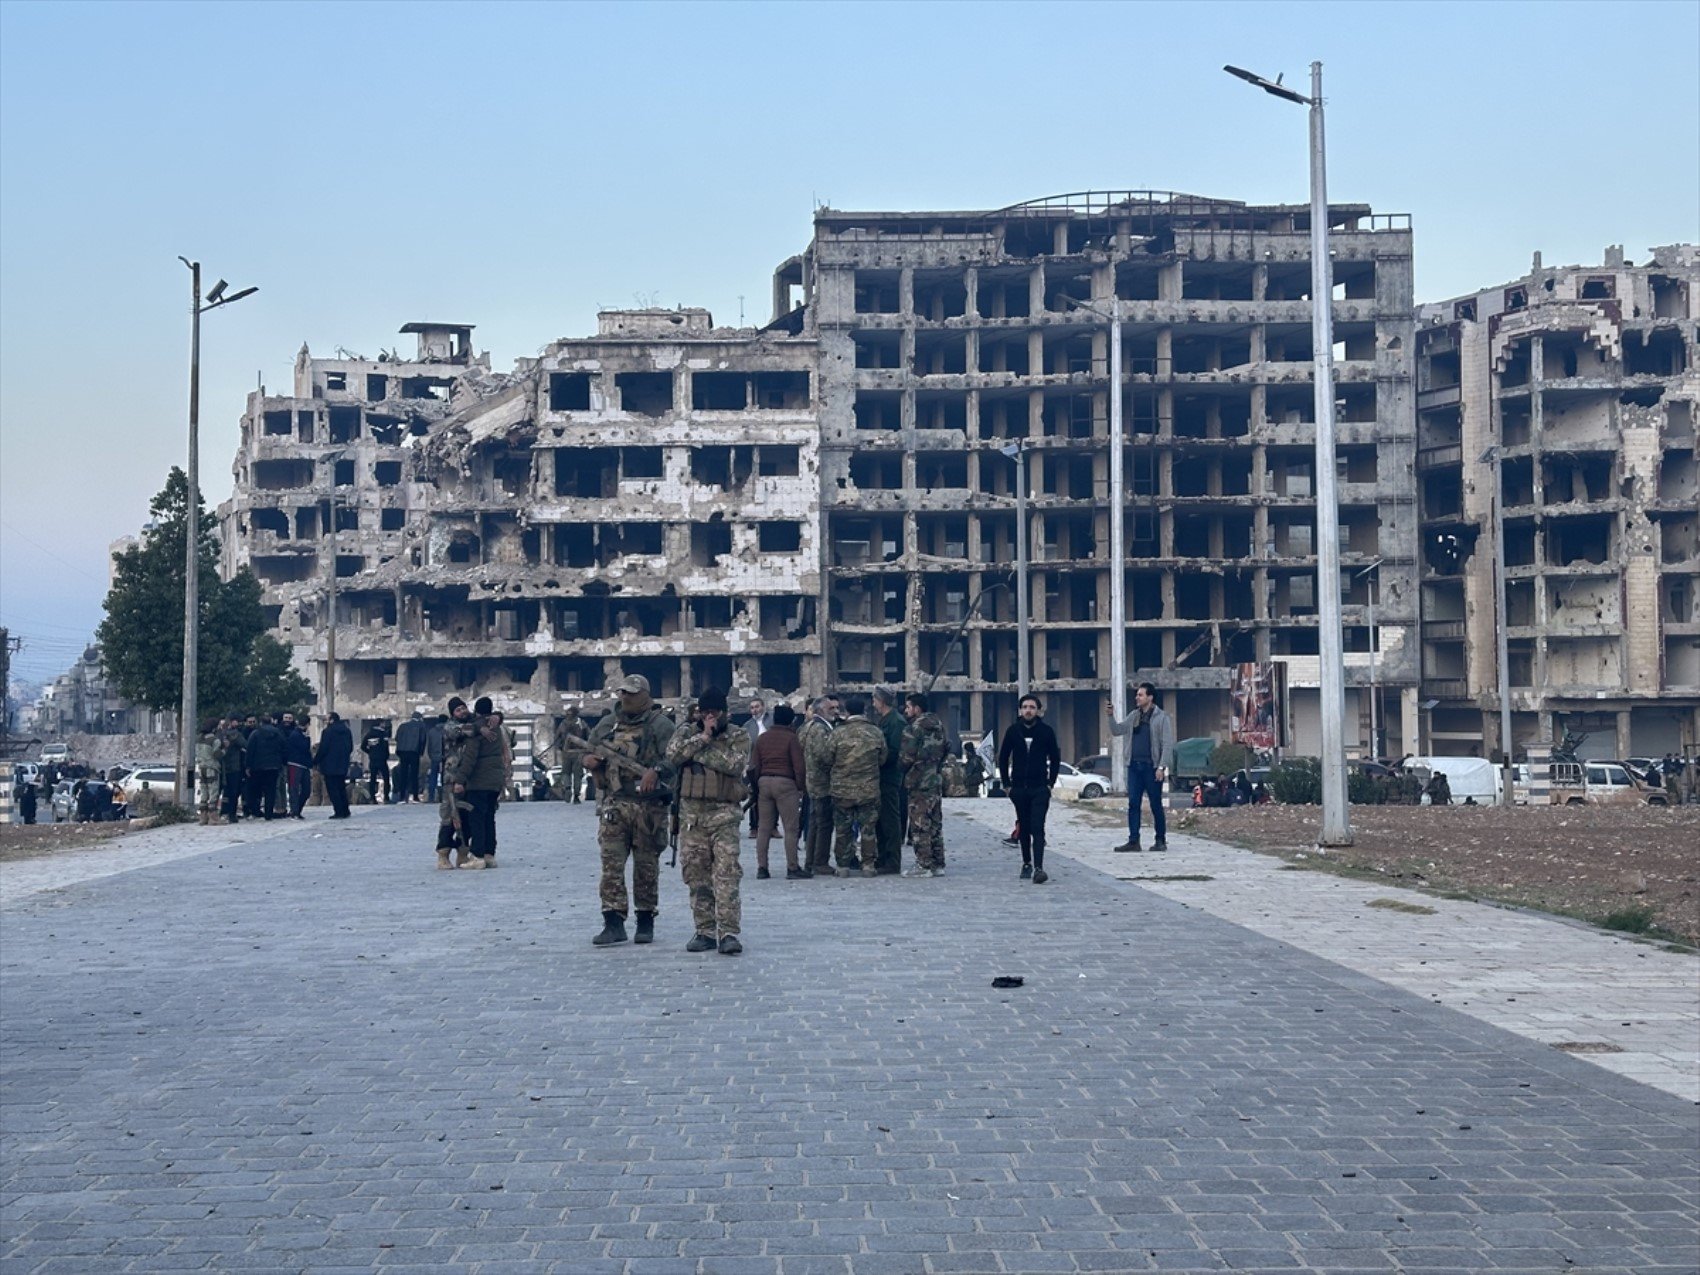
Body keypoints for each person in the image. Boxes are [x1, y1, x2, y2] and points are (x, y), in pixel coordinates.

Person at [584, 674, 677, 946]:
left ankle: (645, 920)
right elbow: (590, 749)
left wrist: (656, 771)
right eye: (623, 692)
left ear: (646, 695)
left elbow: (675, 757)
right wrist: (588, 761)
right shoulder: (608, 723)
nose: (626, 698)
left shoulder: (661, 725)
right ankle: (613, 921)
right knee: (611, 864)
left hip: (649, 807)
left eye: (632, 693)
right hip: (615, 803)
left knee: (646, 866)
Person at [666, 688, 751, 955]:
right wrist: (702, 737)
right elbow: (672, 756)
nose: (709, 717)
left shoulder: (738, 735)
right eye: (704, 713)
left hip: (724, 815)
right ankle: (704, 930)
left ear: (725, 713)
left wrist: (700, 749)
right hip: (692, 818)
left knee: (726, 875)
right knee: (696, 875)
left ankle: (728, 932)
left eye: (714, 713)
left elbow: (735, 765)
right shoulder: (686, 732)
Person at [998, 694, 1061, 883]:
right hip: (1018, 788)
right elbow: (1003, 758)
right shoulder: (1013, 731)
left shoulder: (1046, 731)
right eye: (1025, 707)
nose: (1028, 710)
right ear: (1020, 710)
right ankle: (1027, 863)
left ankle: (1039, 867)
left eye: (1032, 707)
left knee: (1037, 827)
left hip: (1040, 788)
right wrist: (1007, 785)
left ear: (1038, 710)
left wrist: (1050, 783)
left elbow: (1055, 758)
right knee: (1023, 827)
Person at [1108, 682, 1175, 853]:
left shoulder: (1162, 717)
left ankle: (1160, 840)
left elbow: (1167, 744)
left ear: (1150, 697)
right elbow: (1117, 730)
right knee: (1133, 804)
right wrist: (1110, 716)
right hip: (1134, 766)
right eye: (1137, 695)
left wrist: (1161, 767)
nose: (1137, 698)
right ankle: (1133, 840)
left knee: (1155, 804)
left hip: (1151, 767)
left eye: (1140, 695)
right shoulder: (1134, 716)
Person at [824, 696, 887, 876]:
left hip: (842, 789)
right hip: (869, 789)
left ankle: (843, 866)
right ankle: (868, 864)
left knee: (843, 828)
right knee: (868, 828)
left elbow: (827, 758)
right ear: (864, 710)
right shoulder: (875, 732)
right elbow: (882, 758)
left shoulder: (838, 733)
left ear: (847, 711)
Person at [448, 698, 508, 870]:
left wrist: (460, 779)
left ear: (477, 710)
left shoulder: (477, 730)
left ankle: (478, 856)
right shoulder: (496, 726)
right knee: (489, 818)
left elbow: (470, 758)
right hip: (495, 779)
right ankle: (490, 855)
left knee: (477, 818)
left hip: (479, 781)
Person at [752, 703, 807, 879]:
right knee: (790, 827)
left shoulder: (763, 738)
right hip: (785, 783)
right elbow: (799, 766)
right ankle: (792, 867)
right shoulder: (792, 739)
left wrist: (757, 786)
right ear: (791, 721)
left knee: (764, 828)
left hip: (764, 782)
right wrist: (800, 787)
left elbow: (755, 765)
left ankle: (762, 868)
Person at [899, 692, 948, 877]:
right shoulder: (939, 725)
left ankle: (923, 864)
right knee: (935, 823)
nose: (906, 710)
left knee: (919, 824)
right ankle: (938, 863)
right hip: (935, 779)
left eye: (908, 707)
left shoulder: (913, 728)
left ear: (917, 709)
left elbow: (906, 757)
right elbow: (946, 749)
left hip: (918, 781)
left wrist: (903, 770)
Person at [432, 698, 478, 867]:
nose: (462, 712)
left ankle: (463, 852)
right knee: (449, 816)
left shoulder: (472, 721)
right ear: (453, 714)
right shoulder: (449, 727)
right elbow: (465, 731)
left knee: (467, 818)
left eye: (463, 708)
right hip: (451, 779)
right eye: (458, 710)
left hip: (469, 779)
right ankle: (443, 854)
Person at [799, 695, 838, 874]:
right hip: (822, 782)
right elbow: (825, 756)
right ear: (821, 710)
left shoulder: (806, 727)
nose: (835, 712)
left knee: (815, 821)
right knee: (823, 823)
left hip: (812, 780)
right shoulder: (820, 730)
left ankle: (811, 860)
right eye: (831, 709)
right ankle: (820, 861)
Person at [871, 687, 907, 874]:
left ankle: (892, 861)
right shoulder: (884, 720)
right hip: (880, 777)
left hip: (889, 777)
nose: (873, 704)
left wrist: (873, 760)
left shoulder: (896, 722)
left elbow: (894, 751)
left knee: (890, 820)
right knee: (880, 820)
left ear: (881, 701)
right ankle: (882, 857)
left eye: (874, 700)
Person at [244, 712, 286, 821]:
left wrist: (248, 766)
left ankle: (255, 811)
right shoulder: (278, 733)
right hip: (273, 766)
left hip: (257, 766)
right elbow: (283, 748)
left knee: (255, 790)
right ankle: (268, 813)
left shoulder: (255, 734)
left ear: (260, 722)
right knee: (271, 790)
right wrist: (281, 762)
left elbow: (250, 750)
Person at [312, 712, 355, 819]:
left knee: (332, 789)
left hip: (329, 764)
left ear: (331, 720)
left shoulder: (327, 731)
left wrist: (316, 761)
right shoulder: (347, 731)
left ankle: (339, 811)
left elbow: (323, 748)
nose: (326, 721)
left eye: (327, 719)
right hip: (343, 763)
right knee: (341, 787)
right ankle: (345, 810)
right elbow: (350, 747)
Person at [741, 696, 771, 835]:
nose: (754, 710)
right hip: (754, 764)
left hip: (770, 762)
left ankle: (773, 827)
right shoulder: (747, 726)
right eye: (752, 708)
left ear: (763, 707)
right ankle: (754, 827)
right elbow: (745, 748)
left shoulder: (771, 721)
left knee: (770, 795)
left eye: (757, 707)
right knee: (755, 795)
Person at [281, 712, 312, 818]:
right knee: (293, 788)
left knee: (306, 790)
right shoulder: (296, 734)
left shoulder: (300, 734)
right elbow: (304, 748)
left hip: (304, 765)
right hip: (295, 764)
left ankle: (297, 809)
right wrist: (307, 739)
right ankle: (295, 811)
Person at [217, 717, 247, 823]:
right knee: (234, 790)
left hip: (221, 766)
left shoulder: (218, 735)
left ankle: (222, 811)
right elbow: (245, 745)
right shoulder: (236, 734)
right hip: (234, 766)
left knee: (224, 790)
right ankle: (232, 814)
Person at [394, 710, 426, 803]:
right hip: (414, 752)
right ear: (420, 718)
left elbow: (396, 738)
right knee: (414, 775)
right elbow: (422, 740)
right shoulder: (421, 726)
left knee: (403, 774)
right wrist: (421, 752)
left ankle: (402, 797)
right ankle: (415, 797)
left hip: (403, 752)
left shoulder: (402, 726)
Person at [555, 704, 586, 803]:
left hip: (566, 752)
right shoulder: (581, 723)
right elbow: (589, 735)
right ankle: (576, 795)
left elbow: (557, 737)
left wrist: (560, 747)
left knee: (566, 773)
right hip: (578, 752)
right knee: (578, 775)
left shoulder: (563, 724)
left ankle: (567, 788)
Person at [195, 721, 222, 825]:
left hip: (201, 768)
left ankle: (203, 817)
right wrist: (225, 750)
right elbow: (217, 754)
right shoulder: (214, 740)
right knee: (213, 792)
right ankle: (213, 817)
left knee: (204, 792)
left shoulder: (198, 739)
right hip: (212, 767)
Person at [362, 722, 392, 804]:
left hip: (373, 760)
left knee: (373, 779)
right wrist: (386, 755)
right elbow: (385, 747)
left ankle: (372, 798)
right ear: (380, 724)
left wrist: (370, 752)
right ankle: (386, 797)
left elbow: (363, 746)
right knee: (386, 778)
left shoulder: (369, 734)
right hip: (382, 759)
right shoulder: (383, 734)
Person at [424, 713, 447, 803]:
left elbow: (429, 746)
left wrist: (431, 755)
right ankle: (444, 797)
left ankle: (431, 797)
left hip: (434, 757)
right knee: (445, 779)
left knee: (433, 777)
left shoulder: (431, 731)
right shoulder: (448, 730)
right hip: (446, 757)